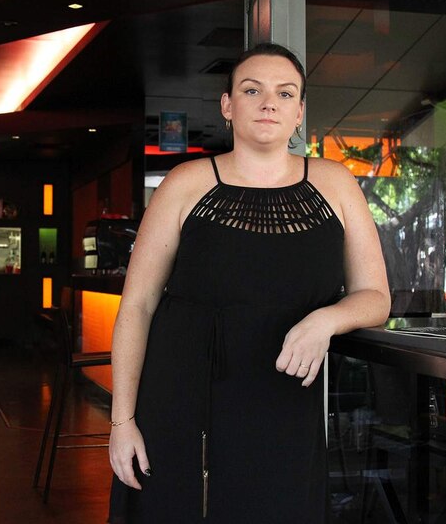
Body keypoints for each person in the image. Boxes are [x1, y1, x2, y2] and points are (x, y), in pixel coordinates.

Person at [107, 42, 390, 523]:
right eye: (252, 90)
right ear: (227, 105)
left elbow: (376, 297)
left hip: (285, 409)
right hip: (181, 403)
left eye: (285, 94)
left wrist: (327, 320)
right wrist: (122, 420)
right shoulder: (184, 183)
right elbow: (136, 306)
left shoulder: (337, 183)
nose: (268, 103)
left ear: (299, 112)